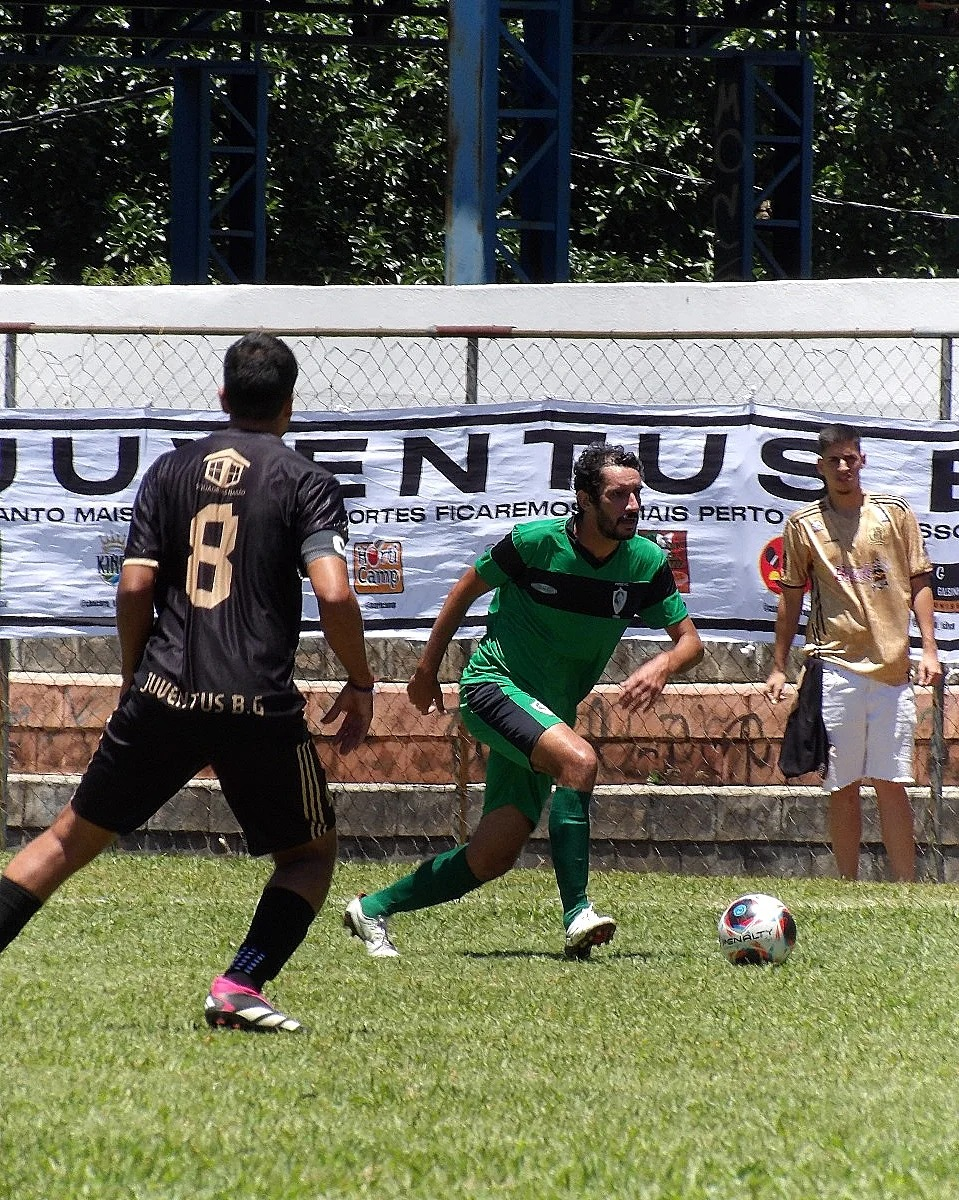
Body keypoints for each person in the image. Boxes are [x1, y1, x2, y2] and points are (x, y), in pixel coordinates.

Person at [0, 332, 375, 1031]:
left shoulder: (170, 470)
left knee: (67, 840)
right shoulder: (305, 481)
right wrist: (359, 682)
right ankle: (240, 984)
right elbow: (334, 593)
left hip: (163, 690)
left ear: (224, 397)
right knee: (308, 854)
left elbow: (135, 583)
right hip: (256, 704)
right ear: (290, 404)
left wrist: (133, 675)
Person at [343, 442, 703, 959]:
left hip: (547, 715)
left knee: (493, 855)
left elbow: (691, 642)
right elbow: (465, 589)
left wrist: (665, 664)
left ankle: (371, 909)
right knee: (579, 761)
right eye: (617, 495)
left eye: (636, 495)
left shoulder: (644, 562)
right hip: (493, 688)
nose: (632, 506)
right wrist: (426, 671)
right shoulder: (534, 543)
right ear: (584, 498)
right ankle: (578, 913)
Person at [763, 422, 941, 882]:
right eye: (834, 460)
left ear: (862, 460)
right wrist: (779, 666)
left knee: (892, 784)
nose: (843, 467)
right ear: (820, 466)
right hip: (836, 665)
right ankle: (848, 885)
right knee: (841, 785)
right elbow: (791, 596)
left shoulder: (894, 514)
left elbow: (919, 579)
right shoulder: (805, 524)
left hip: (892, 669)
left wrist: (929, 649)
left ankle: (906, 886)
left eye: (851, 458)